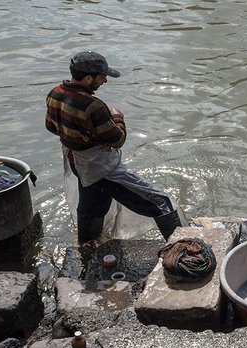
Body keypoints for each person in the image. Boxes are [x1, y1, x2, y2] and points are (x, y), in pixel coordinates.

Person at [45, 51, 183, 245]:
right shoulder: (94, 106)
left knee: (92, 206)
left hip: (77, 163)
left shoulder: (55, 94)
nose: (104, 81)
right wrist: (118, 117)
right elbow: (117, 139)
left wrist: (79, 134)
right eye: (102, 77)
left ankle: (87, 246)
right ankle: (183, 252)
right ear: (88, 78)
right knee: (160, 202)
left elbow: (51, 127)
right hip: (99, 167)